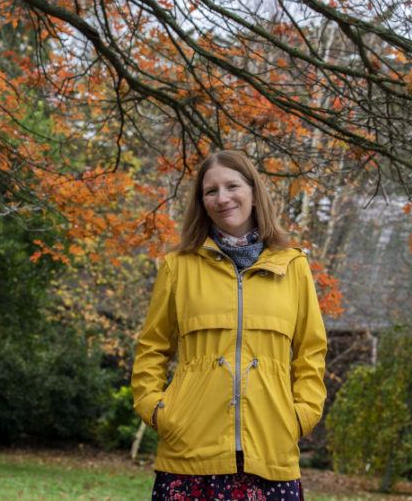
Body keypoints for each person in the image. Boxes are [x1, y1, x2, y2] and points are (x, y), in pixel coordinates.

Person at [131, 150, 328, 500]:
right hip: (189, 455)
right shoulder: (178, 267)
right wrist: (155, 408)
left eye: (232, 186)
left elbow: (311, 351)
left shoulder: (293, 265)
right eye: (211, 191)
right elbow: (152, 347)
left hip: (271, 453)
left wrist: (302, 415)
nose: (222, 198)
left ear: (253, 191)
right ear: (201, 201)